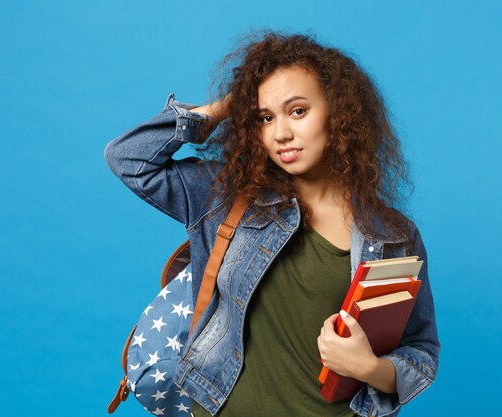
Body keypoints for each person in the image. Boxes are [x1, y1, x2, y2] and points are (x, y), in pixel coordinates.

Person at [104, 30, 440, 417]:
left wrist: (370, 369)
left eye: (298, 111)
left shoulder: (391, 235)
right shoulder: (226, 198)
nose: (280, 133)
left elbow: (421, 352)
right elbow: (128, 159)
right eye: (264, 117)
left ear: (339, 112)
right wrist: (229, 105)